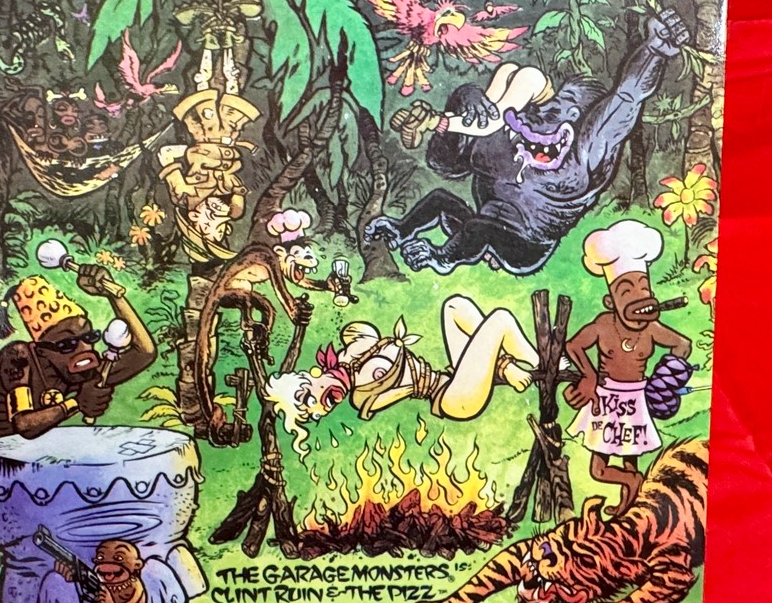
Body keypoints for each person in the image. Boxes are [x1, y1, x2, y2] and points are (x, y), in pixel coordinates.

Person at [264, 295, 541, 455]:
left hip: (452, 376)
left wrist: (348, 359)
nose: (319, 406)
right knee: (499, 320)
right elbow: (408, 387)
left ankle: (518, 363)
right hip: (454, 399)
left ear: (309, 376)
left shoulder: (352, 351)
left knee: (455, 306)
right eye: (314, 413)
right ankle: (540, 363)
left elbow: (362, 332)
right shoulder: (361, 398)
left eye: (306, 397)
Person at [563, 220, 692, 516]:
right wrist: (589, 377)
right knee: (598, 469)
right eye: (627, 291)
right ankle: (632, 482)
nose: (639, 296)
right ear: (610, 301)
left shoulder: (652, 329)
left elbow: (682, 345)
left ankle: (628, 507)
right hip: (606, 400)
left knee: (630, 458)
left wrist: (664, 382)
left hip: (636, 401)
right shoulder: (603, 325)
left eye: (644, 287)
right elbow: (573, 345)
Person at [0, 266, 155, 439]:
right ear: (41, 350)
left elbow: (144, 353)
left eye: (89, 337)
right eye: (67, 344)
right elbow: (24, 425)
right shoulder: (19, 357)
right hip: (4, 451)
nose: (84, 349)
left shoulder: (78, 370)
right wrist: (77, 402)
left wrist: (114, 295)